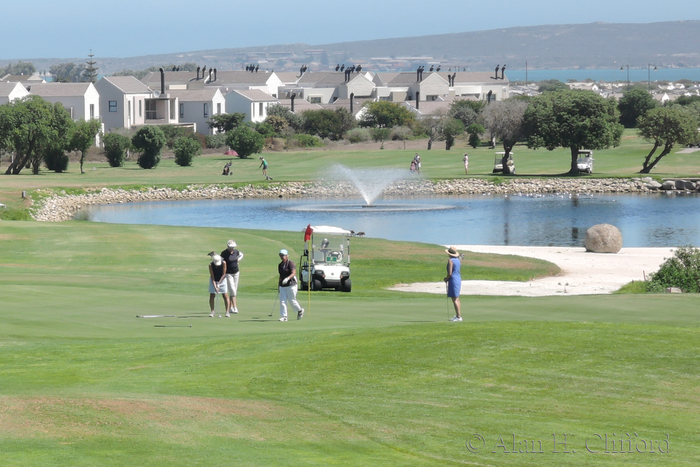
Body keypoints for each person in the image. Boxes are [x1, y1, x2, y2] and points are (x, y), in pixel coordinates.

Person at [277, 249, 304, 321]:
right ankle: (284, 316)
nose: (282, 257)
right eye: (281, 255)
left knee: (292, 300)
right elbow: (281, 276)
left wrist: (287, 278)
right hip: (283, 286)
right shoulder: (280, 265)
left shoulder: (290, 263)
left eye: (283, 255)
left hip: (292, 284)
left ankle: (300, 310)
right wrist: (279, 285)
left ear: (287, 255)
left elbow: (293, 273)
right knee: (282, 301)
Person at [221, 239, 244, 316]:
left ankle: (230, 307)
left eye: (233, 247)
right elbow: (221, 261)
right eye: (231, 247)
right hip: (228, 274)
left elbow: (241, 255)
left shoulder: (236, 252)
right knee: (233, 290)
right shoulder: (224, 253)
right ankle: (235, 307)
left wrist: (238, 260)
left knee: (234, 290)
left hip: (236, 272)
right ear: (228, 246)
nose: (232, 248)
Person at [444, 246, 462, 322]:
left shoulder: (450, 260)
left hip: (453, 280)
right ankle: (458, 315)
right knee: (457, 298)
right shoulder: (458, 260)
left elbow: (450, 273)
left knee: (454, 299)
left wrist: (446, 279)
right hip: (458, 279)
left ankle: (458, 317)